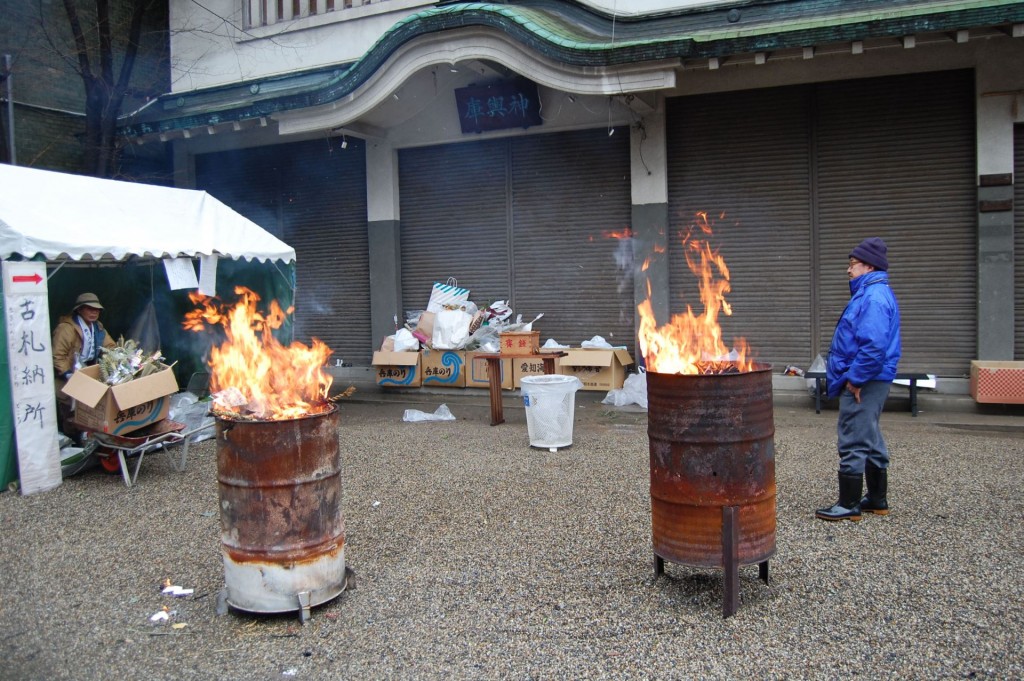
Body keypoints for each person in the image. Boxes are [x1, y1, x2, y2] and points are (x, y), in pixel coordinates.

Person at [816, 237, 901, 522]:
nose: (848, 270)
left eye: (853, 264)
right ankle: (877, 499)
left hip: (866, 379)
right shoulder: (872, 293)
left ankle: (849, 504)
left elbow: (873, 346)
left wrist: (855, 379)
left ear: (868, 266)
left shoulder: (873, 297)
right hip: (873, 377)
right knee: (870, 433)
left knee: (853, 433)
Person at [52, 292, 117, 437]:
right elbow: (57, 356)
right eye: (89, 309)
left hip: (89, 374)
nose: (94, 312)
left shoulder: (98, 328)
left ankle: (89, 443)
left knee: (91, 413)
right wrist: (68, 374)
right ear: (79, 310)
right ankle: (74, 445)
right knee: (72, 416)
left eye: (97, 309)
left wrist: (118, 356)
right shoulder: (66, 328)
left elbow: (110, 346)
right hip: (68, 376)